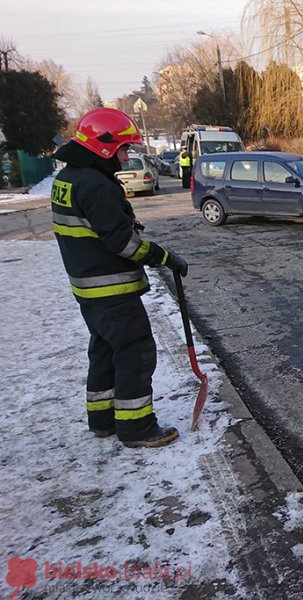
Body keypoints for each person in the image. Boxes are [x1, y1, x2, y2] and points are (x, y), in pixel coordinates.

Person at [50, 107, 188, 448]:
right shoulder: (97, 186)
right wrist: (164, 257)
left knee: (103, 351)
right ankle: (136, 427)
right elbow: (123, 243)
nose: (127, 158)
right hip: (112, 290)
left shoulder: (67, 180)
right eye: (124, 149)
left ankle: (102, 420)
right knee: (135, 353)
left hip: (88, 290)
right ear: (104, 147)